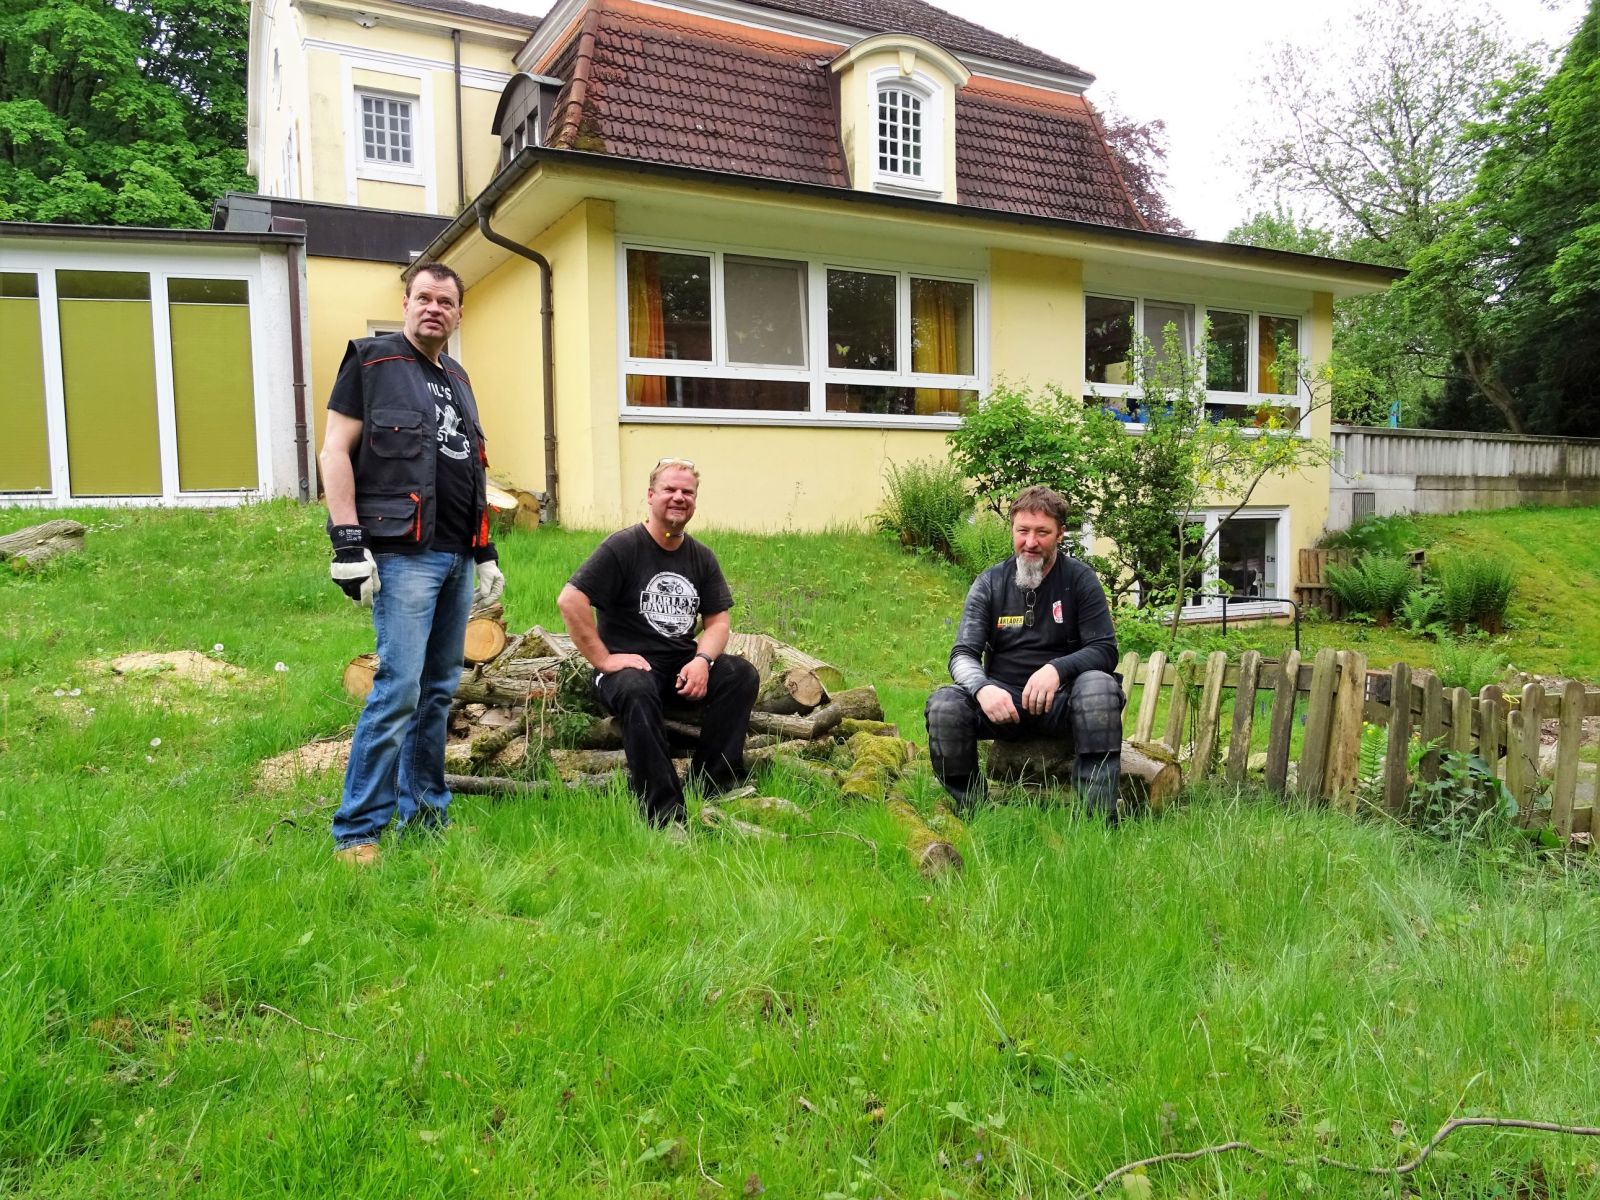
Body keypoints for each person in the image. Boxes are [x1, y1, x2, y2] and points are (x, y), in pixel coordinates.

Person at [319, 261, 505, 866]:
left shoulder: (459, 378)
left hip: (455, 554)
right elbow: (334, 451)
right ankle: (357, 830)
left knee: (438, 691)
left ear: (458, 314)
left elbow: (470, 467)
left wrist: (485, 551)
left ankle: (424, 816)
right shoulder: (371, 361)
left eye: (445, 302)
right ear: (405, 303)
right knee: (398, 687)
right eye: (423, 297)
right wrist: (348, 543)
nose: (433, 308)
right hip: (402, 553)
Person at [557, 459, 759, 831]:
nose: (679, 497)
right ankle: (664, 814)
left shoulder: (701, 557)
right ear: (651, 496)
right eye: (670, 489)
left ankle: (713, 784)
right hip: (627, 672)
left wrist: (702, 660)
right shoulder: (623, 547)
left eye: (687, 492)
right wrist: (604, 659)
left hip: (679, 668)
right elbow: (570, 600)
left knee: (741, 675)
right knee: (636, 687)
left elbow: (718, 621)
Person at [925, 486, 1125, 819]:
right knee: (944, 705)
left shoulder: (1080, 580)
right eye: (1023, 531)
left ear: (1060, 533)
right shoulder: (989, 583)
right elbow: (961, 655)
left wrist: (1057, 670)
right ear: (1012, 530)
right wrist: (983, 689)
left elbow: (1105, 650)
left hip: (1064, 704)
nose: (1030, 542)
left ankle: (1098, 820)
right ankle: (972, 812)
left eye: (1042, 532)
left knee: (1099, 688)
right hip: (1003, 707)